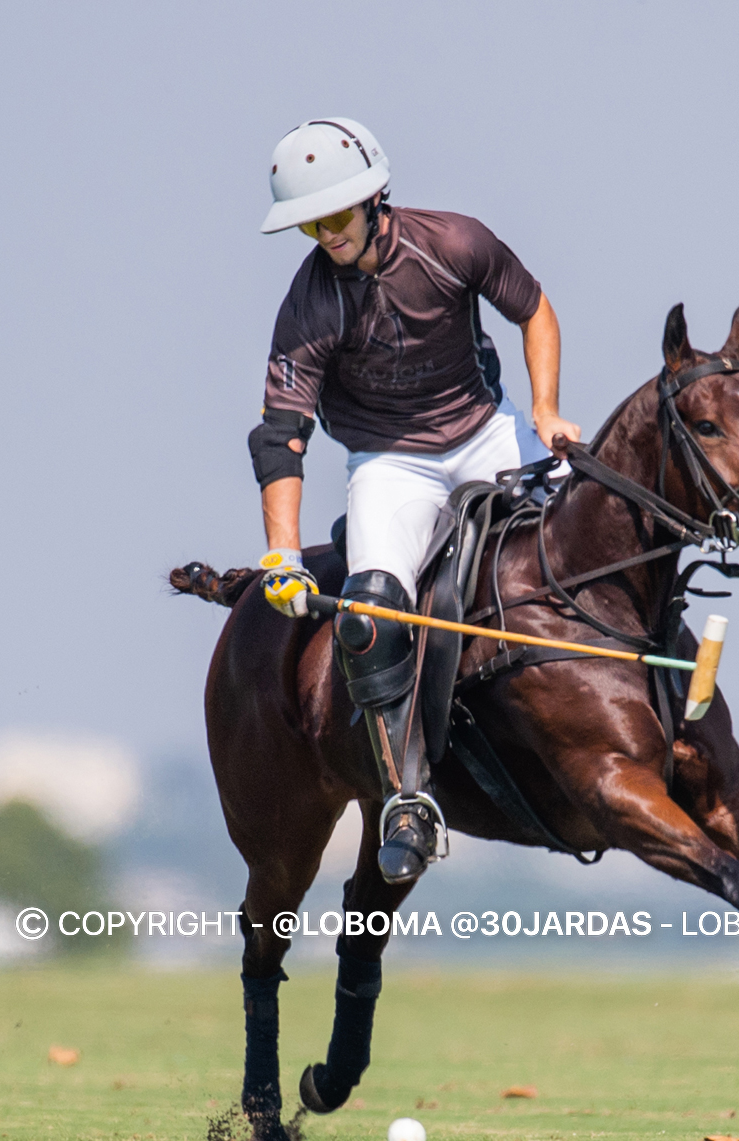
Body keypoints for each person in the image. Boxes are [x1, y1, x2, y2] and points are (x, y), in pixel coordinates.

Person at [248, 117, 580, 885]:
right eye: (309, 224)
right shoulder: (308, 309)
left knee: (600, 524)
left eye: (334, 216)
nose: (325, 236)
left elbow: (533, 309)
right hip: (391, 465)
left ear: (374, 199)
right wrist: (284, 556)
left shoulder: (455, 241)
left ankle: (665, 685)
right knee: (369, 617)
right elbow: (282, 437)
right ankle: (407, 795)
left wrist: (547, 408)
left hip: (487, 435)